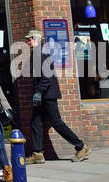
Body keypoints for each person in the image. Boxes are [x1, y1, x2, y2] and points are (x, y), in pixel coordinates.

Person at [23, 29, 90, 164]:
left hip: (47, 95)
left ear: (35, 39)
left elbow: (47, 77)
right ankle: (37, 153)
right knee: (36, 123)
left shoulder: (40, 53)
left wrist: (39, 92)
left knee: (56, 122)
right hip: (42, 95)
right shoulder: (38, 53)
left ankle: (81, 147)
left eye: (29, 39)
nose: (27, 41)